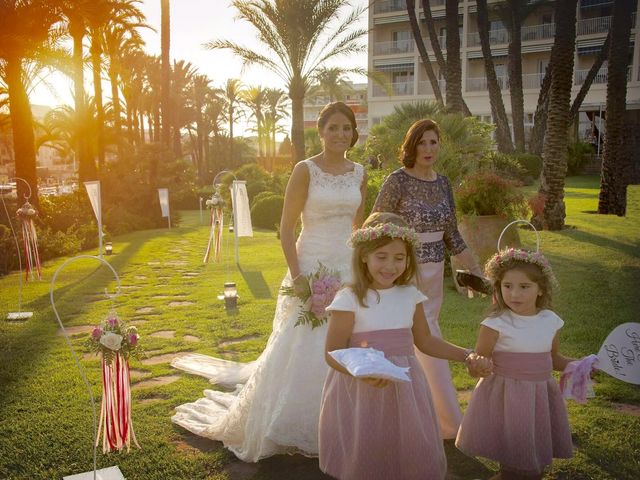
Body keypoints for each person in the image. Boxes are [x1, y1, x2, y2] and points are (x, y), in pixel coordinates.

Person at [171, 101, 367, 461]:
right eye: (333, 127)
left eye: (346, 128)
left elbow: (359, 227)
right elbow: (287, 228)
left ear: (353, 134)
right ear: (321, 132)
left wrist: (364, 270)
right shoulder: (305, 170)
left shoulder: (359, 172)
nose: (340, 134)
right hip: (311, 264)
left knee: (350, 336)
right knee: (303, 339)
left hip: (349, 266)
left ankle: (346, 415)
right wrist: (299, 277)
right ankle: (294, 421)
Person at [318, 212, 491, 480]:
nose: (390, 266)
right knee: (368, 447)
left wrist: (467, 354)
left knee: (404, 446)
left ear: (409, 258)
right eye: (382, 256)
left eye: (399, 258)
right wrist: (358, 373)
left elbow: (426, 341)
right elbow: (332, 352)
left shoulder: (410, 296)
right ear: (364, 255)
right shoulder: (349, 298)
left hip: (404, 386)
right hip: (361, 388)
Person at [372, 119, 484, 438]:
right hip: (402, 270)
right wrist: (388, 261)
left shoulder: (444, 183)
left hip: (435, 270)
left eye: (434, 142)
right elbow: (376, 222)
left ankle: (429, 413)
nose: (428, 149)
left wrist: (476, 269)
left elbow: (451, 233)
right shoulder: (397, 180)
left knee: (427, 329)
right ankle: (440, 418)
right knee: (410, 334)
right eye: (422, 142)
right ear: (411, 146)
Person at [456, 248, 574, 480]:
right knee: (514, 466)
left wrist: (583, 365)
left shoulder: (551, 321)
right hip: (506, 398)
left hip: (539, 397)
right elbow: (479, 364)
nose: (514, 294)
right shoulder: (495, 323)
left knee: (534, 462)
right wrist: (477, 364)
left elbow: (553, 359)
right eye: (507, 286)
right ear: (498, 287)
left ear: (541, 289)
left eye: (524, 286)